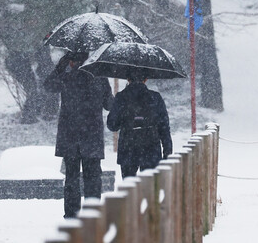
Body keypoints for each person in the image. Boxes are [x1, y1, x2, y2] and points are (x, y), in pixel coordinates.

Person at [43, 52, 113, 218]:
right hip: (92, 136)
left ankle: (72, 215)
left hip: (70, 136)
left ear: (72, 62)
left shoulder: (66, 78)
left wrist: (60, 67)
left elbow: (48, 86)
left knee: (72, 178)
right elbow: (109, 104)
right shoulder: (99, 78)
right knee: (93, 178)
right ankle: (93, 214)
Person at [106, 71, 172, 178]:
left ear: (128, 79)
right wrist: (167, 151)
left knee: (129, 190)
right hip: (151, 150)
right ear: (146, 79)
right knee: (150, 190)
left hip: (128, 150)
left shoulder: (121, 98)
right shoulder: (155, 98)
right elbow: (164, 126)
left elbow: (112, 125)